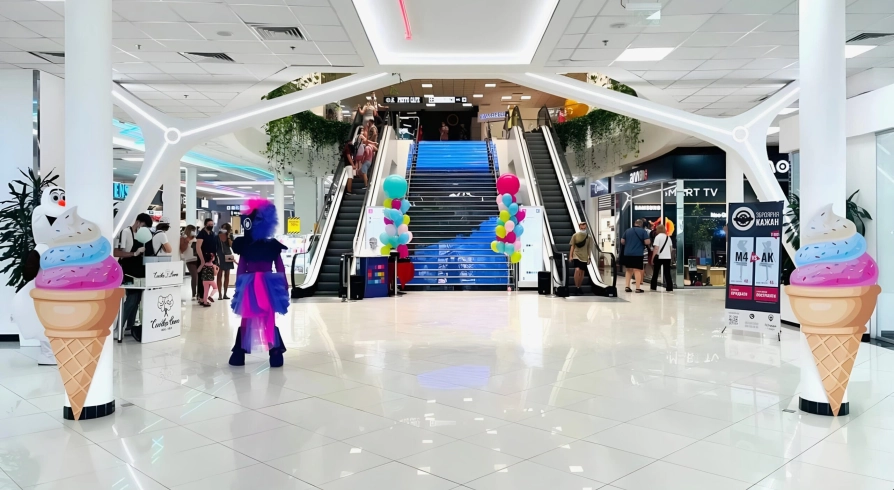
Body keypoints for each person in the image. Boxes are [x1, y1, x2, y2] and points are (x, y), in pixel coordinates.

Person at [229, 198, 289, 368]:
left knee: (248, 319)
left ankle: (239, 354)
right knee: (267, 319)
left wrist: (239, 287)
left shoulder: (245, 246)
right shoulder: (271, 246)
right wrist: (284, 284)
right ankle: (275, 353)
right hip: (268, 284)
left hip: (250, 284)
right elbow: (280, 267)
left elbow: (241, 268)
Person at [114, 213, 152, 340]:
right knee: (131, 298)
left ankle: (130, 327)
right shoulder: (125, 232)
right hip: (127, 270)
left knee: (137, 300)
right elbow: (116, 252)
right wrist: (134, 253)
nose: (144, 229)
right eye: (144, 226)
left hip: (139, 270)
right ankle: (118, 328)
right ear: (138, 222)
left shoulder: (142, 235)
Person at [620, 219, 651, 293]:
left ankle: (627, 286)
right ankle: (637, 288)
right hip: (638, 253)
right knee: (637, 270)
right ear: (641, 224)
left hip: (627, 253)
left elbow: (622, 241)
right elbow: (647, 242)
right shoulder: (643, 231)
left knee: (628, 270)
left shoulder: (627, 231)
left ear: (635, 223)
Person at [195, 218, 219, 301]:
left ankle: (205, 296)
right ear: (205, 225)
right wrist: (202, 260)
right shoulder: (202, 234)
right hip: (203, 258)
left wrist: (214, 259)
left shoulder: (213, 234)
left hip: (211, 259)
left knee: (209, 278)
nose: (211, 226)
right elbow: (198, 247)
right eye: (209, 225)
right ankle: (200, 296)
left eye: (212, 225)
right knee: (202, 278)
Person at [569, 222, 593, 292]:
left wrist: (589, 257)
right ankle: (576, 286)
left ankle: (579, 286)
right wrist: (570, 256)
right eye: (582, 228)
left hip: (584, 256)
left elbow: (589, 248)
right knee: (577, 270)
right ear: (579, 228)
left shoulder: (589, 237)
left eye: (584, 228)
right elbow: (572, 246)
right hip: (576, 255)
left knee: (582, 272)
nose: (583, 229)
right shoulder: (575, 236)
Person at [650, 224, 674, 292]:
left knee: (656, 272)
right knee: (667, 273)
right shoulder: (668, 237)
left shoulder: (657, 237)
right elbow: (671, 248)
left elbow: (656, 248)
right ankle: (669, 287)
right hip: (667, 257)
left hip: (659, 257)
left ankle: (653, 287)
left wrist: (652, 258)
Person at [217, 223, 235, 300]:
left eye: (225, 228)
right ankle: (220, 294)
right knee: (219, 274)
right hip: (220, 255)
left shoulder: (230, 236)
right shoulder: (218, 235)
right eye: (223, 228)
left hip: (228, 255)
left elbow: (231, 246)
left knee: (227, 275)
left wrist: (228, 237)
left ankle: (225, 293)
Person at [181, 225, 199, 299]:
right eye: (192, 230)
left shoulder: (196, 238)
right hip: (189, 260)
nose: (193, 232)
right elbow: (182, 249)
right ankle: (193, 294)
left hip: (197, 259)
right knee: (194, 276)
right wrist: (186, 242)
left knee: (199, 277)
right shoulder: (183, 238)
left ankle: (199, 293)